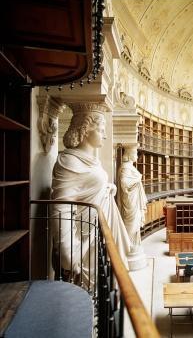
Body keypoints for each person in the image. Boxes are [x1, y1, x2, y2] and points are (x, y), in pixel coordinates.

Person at [50, 110, 130, 289]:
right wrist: (67, 250)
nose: (105, 135)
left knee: (102, 281)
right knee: (88, 288)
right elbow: (61, 206)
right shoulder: (69, 162)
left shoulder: (93, 161)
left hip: (98, 230)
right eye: (101, 129)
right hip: (84, 236)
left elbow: (91, 186)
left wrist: (108, 187)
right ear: (86, 130)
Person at [117, 146, 147, 252]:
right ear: (129, 154)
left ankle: (133, 244)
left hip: (134, 199)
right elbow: (124, 183)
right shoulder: (125, 167)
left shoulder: (129, 167)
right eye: (135, 153)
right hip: (130, 201)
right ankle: (128, 244)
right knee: (132, 222)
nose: (137, 156)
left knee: (136, 222)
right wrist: (137, 178)